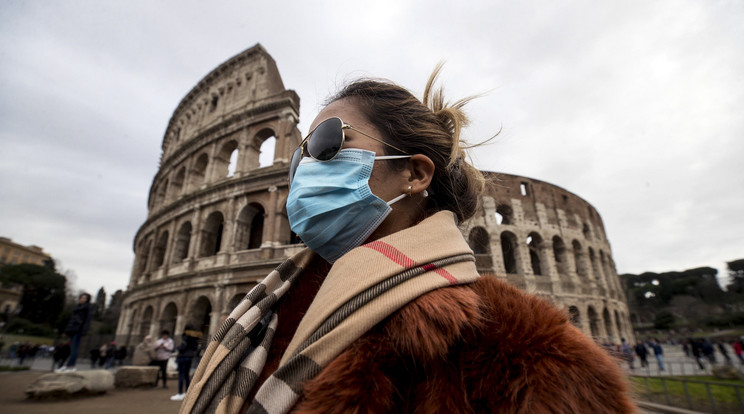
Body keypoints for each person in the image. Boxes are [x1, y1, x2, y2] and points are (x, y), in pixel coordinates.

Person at [179, 66, 635, 413]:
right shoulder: (273, 305)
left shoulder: (526, 355)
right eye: (299, 161)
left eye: (325, 145)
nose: (305, 171)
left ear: (415, 173)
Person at [57, 293, 92, 373]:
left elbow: (87, 321)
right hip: (73, 330)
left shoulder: (86, 308)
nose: (82, 299)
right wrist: (66, 331)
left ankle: (70, 366)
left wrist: (83, 330)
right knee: (72, 349)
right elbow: (72, 321)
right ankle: (69, 365)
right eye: (81, 297)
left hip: (78, 330)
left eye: (84, 298)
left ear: (87, 300)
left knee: (74, 349)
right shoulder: (77, 308)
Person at [171, 325, 202, 401]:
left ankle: (180, 393)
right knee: (186, 376)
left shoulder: (186, 336)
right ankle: (187, 393)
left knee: (181, 375)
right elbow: (196, 348)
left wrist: (177, 349)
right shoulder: (195, 337)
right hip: (190, 357)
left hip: (183, 356)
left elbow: (183, 346)